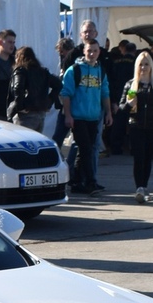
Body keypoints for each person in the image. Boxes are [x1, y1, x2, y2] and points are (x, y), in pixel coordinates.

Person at [59, 37, 112, 195]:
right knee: (86, 148)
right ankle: (90, 181)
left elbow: (105, 93)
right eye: (89, 50)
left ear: (99, 52)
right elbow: (66, 94)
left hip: (93, 117)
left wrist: (108, 112)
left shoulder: (100, 71)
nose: (92, 54)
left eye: (95, 51)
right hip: (78, 117)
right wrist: (68, 115)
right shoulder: (74, 70)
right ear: (84, 51)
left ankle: (76, 182)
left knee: (85, 150)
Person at [117, 52, 153, 203]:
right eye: (141, 64)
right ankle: (139, 187)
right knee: (139, 158)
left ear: (151, 67)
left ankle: (144, 186)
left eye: (147, 64)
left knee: (148, 158)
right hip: (136, 125)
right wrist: (129, 104)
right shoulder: (131, 84)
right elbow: (121, 110)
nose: (143, 67)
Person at [7, 46, 59, 133]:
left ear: (18, 57)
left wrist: (20, 106)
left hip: (25, 115)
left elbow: (18, 87)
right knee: (35, 143)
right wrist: (48, 102)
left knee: (22, 143)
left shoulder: (20, 70)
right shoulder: (43, 72)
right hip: (40, 113)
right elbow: (58, 84)